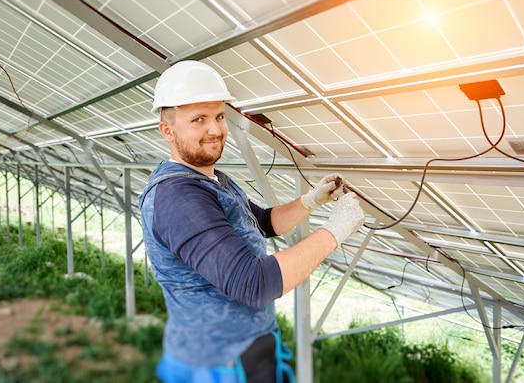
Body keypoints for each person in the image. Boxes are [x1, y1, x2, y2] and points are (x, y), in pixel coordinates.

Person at [138, 60, 365, 383]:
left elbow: (260, 222)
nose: (215, 129)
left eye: (218, 116)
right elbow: (252, 283)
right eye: (198, 119)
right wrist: (334, 231)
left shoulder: (211, 180)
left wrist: (310, 201)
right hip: (216, 365)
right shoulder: (178, 197)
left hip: (245, 351)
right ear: (167, 130)